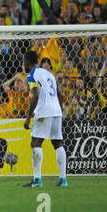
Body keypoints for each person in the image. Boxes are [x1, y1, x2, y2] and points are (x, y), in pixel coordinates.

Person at [23, 50, 68, 187]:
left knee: (36, 143)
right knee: (58, 143)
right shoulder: (49, 74)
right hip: (56, 111)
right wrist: (58, 110)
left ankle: (37, 180)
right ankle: (63, 180)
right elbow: (60, 94)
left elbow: (35, 95)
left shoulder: (32, 75)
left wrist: (28, 118)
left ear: (26, 62)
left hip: (44, 111)